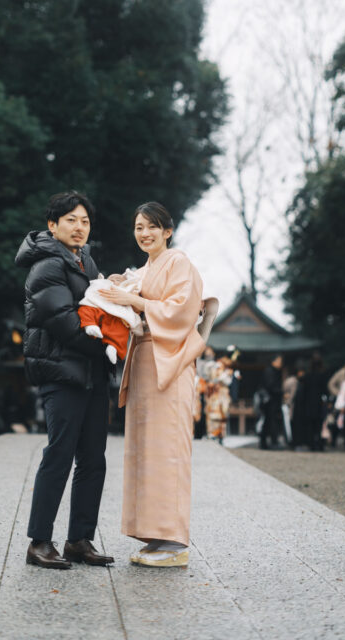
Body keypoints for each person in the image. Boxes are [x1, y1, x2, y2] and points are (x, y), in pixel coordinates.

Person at [101, 201, 205, 569]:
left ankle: (175, 542)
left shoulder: (178, 262)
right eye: (138, 227)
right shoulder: (144, 270)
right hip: (146, 360)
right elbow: (134, 304)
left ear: (167, 231)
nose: (144, 233)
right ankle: (155, 534)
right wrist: (121, 288)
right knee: (146, 451)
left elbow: (183, 308)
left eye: (152, 227)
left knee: (169, 450)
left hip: (171, 362)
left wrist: (135, 299)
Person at [16, 191, 114, 571]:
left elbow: (101, 309)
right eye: (71, 219)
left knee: (93, 459)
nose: (79, 227)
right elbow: (67, 324)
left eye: (85, 221)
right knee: (59, 454)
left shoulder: (86, 261)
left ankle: (79, 540)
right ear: (53, 225)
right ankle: (39, 542)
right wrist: (112, 345)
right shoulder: (46, 265)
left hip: (91, 373)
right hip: (61, 371)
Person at [259, 354, 284, 450]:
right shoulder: (270, 371)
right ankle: (272, 442)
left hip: (272, 400)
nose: (280, 363)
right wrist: (281, 392)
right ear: (274, 361)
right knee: (270, 421)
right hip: (270, 401)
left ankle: (266, 442)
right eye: (279, 361)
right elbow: (270, 386)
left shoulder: (275, 371)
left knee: (269, 421)